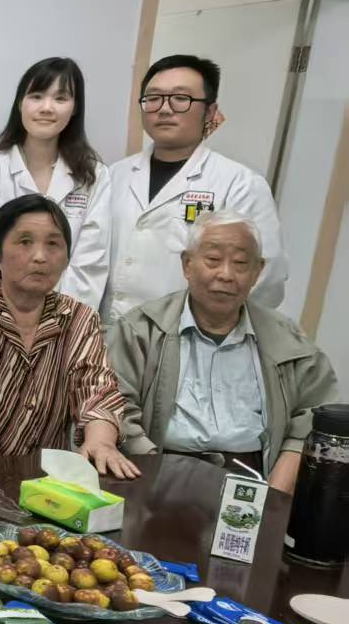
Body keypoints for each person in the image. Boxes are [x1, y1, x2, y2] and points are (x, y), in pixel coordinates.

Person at [107, 211, 333, 493]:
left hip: (253, 481)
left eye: (240, 263)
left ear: (257, 272)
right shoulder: (141, 330)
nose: (226, 274)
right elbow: (114, 406)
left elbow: (315, 414)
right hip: (156, 474)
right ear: (187, 264)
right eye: (213, 260)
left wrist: (273, 495)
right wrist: (153, 476)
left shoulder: (286, 338)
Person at [0, 194, 136, 476]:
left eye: (53, 244)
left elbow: (96, 387)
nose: (40, 256)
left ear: (67, 257)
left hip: (47, 478)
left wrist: (101, 441)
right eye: (25, 242)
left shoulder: (80, 319)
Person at [103, 54, 287, 323]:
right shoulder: (114, 175)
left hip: (185, 337)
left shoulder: (240, 185)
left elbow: (266, 279)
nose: (164, 109)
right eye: (153, 98)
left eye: (181, 98)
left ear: (210, 112)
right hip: (107, 333)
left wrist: (207, 331)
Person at [0, 57, 110, 308]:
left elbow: (90, 263)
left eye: (60, 98)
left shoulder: (93, 175)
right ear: (19, 104)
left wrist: (54, 316)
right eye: (36, 96)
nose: (46, 108)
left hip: (66, 316)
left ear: (75, 108)